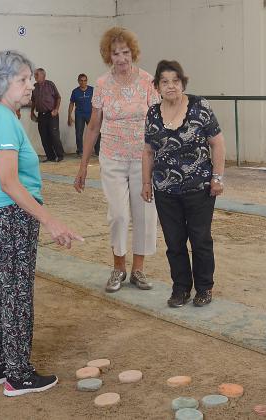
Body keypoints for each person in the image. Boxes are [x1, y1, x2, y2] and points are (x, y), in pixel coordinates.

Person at [0, 50, 83, 397]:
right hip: (8, 216)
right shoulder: (1, 119)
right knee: (16, 292)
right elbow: (10, 182)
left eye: (29, 78)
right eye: (23, 79)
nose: (31, 84)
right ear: (2, 81)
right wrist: (51, 221)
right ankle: (19, 374)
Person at [74, 27, 160, 293]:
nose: (121, 58)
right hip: (112, 157)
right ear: (108, 55)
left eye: (125, 52)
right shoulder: (101, 85)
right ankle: (119, 268)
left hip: (143, 159)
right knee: (119, 215)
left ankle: (138, 270)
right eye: (115, 53)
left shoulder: (147, 81)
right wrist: (83, 167)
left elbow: (158, 123)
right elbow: (92, 127)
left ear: (132, 52)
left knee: (144, 214)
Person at [141, 60, 226, 308]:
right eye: (165, 81)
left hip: (199, 188)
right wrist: (146, 182)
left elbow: (217, 143)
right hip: (165, 190)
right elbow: (148, 151)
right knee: (174, 242)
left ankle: (204, 288)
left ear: (182, 83)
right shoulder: (153, 113)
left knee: (200, 240)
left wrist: (217, 178)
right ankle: (180, 289)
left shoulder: (200, 107)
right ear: (157, 86)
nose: (171, 86)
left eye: (175, 81)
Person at [30, 68, 65, 162]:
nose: (35, 76)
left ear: (43, 76)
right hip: (41, 115)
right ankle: (50, 157)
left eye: (37, 74)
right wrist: (32, 112)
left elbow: (58, 97)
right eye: (35, 74)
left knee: (54, 135)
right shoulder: (34, 86)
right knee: (44, 136)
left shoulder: (50, 84)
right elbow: (33, 100)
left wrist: (56, 109)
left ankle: (60, 155)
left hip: (52, 114)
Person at [68, 73, 100, 157]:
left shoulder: (92, 90)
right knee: (79, 133)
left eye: (85, 80)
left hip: (91, 114)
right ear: (78, 81)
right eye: (81, 81)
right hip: (79, 115)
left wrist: (98, 114)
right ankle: (80, 151)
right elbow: (71, 104)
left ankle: (98, 151)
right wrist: (69, 116)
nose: (83, 82)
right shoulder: (75, 91)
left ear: (87, 81)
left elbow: (97, 102)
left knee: (95, 132)